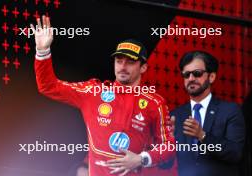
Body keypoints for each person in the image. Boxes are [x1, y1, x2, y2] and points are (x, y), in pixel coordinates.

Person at [31, 15, 175, 176]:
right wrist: (42, 51)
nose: (123, 66)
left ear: (143, 68)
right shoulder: (93, 92)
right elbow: (48, 86)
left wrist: (141, 158)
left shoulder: (155, 102)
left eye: (130, 62)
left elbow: (169, 146)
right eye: (119, 60)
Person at [171, 51, 245, 176]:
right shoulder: (176, 115)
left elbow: (235, 153)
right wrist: (166, 143)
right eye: (186, 74)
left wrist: (202, 136)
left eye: (197, 73)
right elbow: (166, 163)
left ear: (211, 77)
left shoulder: (230, 110)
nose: (191, 79)